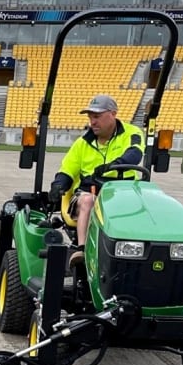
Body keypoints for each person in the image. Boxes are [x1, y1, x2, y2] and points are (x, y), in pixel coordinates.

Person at [48, 94, 144, 267]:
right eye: (90, 117)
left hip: (123, 193)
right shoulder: (82, 144)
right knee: (88, 201)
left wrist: (115, 165)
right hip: (89, 192)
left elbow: (135, 152)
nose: (92, 122)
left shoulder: (132, 133)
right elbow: (68, 169)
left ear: (113, 114)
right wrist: (59, 185)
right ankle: (83, 250)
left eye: (97, 116)